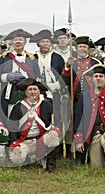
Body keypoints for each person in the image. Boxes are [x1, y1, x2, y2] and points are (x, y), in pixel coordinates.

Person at [74, 64, 105, 168]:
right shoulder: (85, 96)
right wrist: (79, 140)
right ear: (91, 79)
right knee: (96, 167)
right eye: (96, 76)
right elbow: (78, 119)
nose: (98, 79)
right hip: (93, 135)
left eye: (101, 76)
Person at [9, 78, 61, 172]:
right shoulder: (18, 107)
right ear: (26, 92)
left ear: (39, 91)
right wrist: (15, 144)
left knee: (54, 137)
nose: (32, 92)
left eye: (35, 89)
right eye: (30, 89)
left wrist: (55, 130)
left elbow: (57, 121)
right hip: (24, 141)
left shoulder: (47, 105)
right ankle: (27, 160)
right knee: (17, 159)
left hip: (41, 139)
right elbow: (11, 127)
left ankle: (50, 165)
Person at [62, 36, 101, 161]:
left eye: (84, 47)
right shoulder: (71, 61)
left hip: (91, 100)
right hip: (75, 100)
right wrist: (67, 68)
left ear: (88, 49)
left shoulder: (95, 63)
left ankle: (91, 154)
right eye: (80, 47)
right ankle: (76, 154)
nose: (82, 49)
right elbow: (64, 81)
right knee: (76, 125)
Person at [29, 29, 67, 158]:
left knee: (56, 119)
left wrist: (57, 84)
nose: (45, 44)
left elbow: (64, 76)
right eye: (42, 42)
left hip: (55, 94)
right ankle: (40, 151)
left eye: (47, 42)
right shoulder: (32, 58)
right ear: (38, 44)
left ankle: (56, 152)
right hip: (38, 94)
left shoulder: (57, 57)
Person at [0, 29, 40, 127]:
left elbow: (37, 78)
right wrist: (7, 77)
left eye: (20, 39)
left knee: (27, 123)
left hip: (27, 96)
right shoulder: (5, 58)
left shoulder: (31, 59)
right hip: (10, 96)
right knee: (9, 123)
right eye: (15, 40)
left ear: (25, 42)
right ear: (12, 42)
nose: (18, 42)